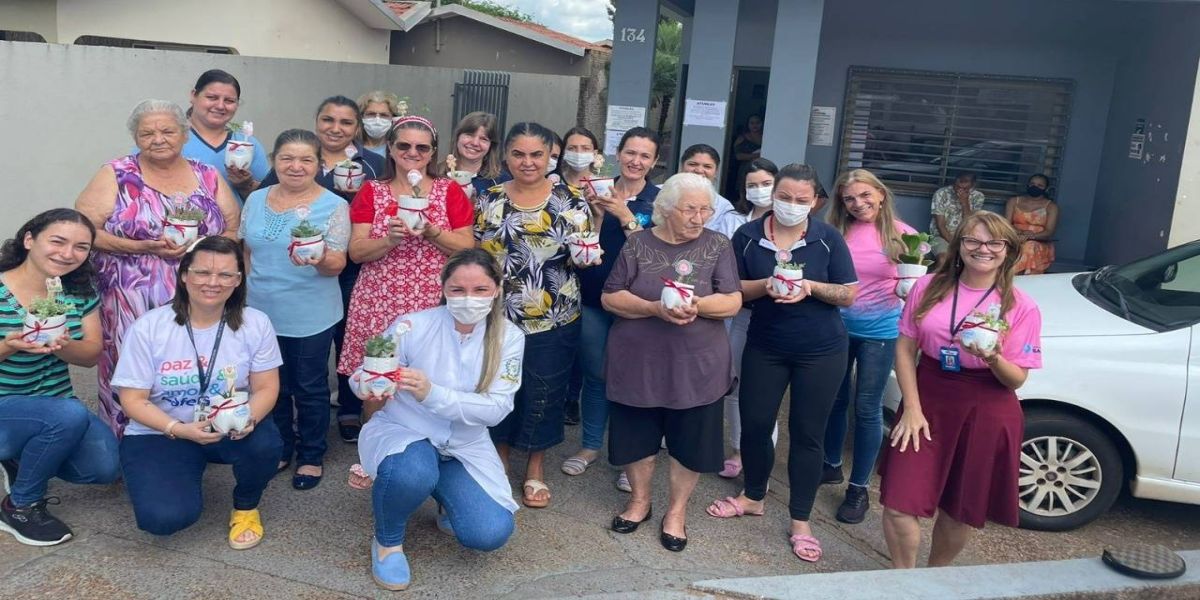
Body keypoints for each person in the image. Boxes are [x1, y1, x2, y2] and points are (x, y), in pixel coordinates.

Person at [708, 164, 858, 564]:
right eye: (784, 197)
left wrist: (810, 287)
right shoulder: (748, 236)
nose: (792, 205)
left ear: (815, 202)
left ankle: (801, 520)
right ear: (773, 195)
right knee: (755, 424)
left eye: (801, 200)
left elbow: (848, 294)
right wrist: (767, 284)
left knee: (807, 433)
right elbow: (732, 288)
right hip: (765, 345)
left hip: (821, 350)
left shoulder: (827, 238)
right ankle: (753, 495)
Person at [353, 249, 525, 591]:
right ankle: (387, 543)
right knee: (411, 472)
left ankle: (445, 496)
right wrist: (366, 384)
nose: (469, 299)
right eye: (458, 289)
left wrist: (431, 393)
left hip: (464, 444)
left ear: (496, 289)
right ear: (443, 287)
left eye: (480, 289)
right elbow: (366, 372)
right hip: (405, 431)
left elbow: (496, 409)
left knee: (490, 532)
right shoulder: (412, 325)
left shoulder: (509, 337)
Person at [880, 211, 1042, 568]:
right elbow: (905, 348)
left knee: (958, 510)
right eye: (973, 240)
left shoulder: (1021, 306)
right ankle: (903, 581)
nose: (983, 249)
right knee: (898, 504)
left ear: (1008, 250)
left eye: (994, 242)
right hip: (928, 396)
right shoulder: (928, 287)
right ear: (959, 245)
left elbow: (1016, 379)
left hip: (986, 403)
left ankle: (935, 577)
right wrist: (912, 408)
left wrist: (994, 357)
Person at [75, 99, 240, 436]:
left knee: (187, 364)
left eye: (167, 131)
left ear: (184, 134)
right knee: (129, 364)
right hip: (128, 296)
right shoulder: (116, 173)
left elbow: (233, 229)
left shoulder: (207, 175)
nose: (158, 139)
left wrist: (200, 250)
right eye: (147, 133)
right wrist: (141, 246)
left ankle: (191, 433)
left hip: (197, 293)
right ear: (136, 138)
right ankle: (126, 440)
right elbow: (85, 232)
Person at [113, 236, 283, 549]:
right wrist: (178, 429)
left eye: (225, 275)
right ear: (184, 275)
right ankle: (173, 473)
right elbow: (132, 400)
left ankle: (246, 506)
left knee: (265, 442)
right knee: (162, 520)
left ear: (238, 280)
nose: (213, 283)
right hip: (163, 430)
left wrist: (249, 418)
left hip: (227, 425)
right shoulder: (149, 327)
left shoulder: (256, 323)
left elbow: (266, 387)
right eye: (203, 272)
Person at [602, 173, 742, 552]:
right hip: (639, 362)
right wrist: (653, 308)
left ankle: (676, 512)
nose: (699, 218)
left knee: (690, 441)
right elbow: (611, 297)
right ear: (665, 209)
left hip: (698, 366)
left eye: (705, 210)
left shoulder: (717, 244)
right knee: (637, 435)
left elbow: (732, 300)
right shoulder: (638, 243)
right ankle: (639, 501)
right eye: (690, 209)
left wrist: (698, 305)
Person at [475, 122, 591, 509]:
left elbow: (584, 252)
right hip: (498, 316)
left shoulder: (571, 199)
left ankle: (535, 467)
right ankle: (500, 459)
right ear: (506, 156)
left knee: (545, 390)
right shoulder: (489, 198)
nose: (528, 162)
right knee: (499, 387)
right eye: (519, 154)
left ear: (549, 157)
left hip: (555, 316)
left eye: (537, 154)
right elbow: (476, 255)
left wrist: (587, 257)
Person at [338, 116, 475, 441]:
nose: (413, 152)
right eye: (404, 145)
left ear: (432, 152)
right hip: (380, 298)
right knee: (378, 379)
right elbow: (356, 251)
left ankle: (428, 444)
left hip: (431, 300)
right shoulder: (372, 191)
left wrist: (432, 231)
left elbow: (467, 246)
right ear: (390, 148)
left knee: (430, 377)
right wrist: (389, 240)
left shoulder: (449, 191)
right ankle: (375, 445)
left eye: (422, 147)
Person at [258, 96, 385, 439]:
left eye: (346, 122)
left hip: (352, 265)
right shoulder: (299, 157)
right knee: (306, 350)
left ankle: (348, 407)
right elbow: (267, 198)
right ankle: (293, 417)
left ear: (356, 128)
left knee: (347, 337)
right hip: (303, 269)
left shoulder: (373, 164)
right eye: (328, 120)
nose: (336, 128)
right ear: (317, 121)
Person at [0, 209, 120, 546]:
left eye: (81, 247)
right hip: (8, 406)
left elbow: (91, 355)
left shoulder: (78, 292)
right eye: (57, 241)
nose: (68, 254)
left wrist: (62, 345)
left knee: (104, 468)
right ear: (29, 239)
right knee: (68, 415)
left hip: (54, 403)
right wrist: (9, 346)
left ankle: (22, 455)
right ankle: (20, 505)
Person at [241, 130, 349, 490]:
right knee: (271, 384)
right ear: (274, 161)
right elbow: (247, 251)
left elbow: (337, 264)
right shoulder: (256, 199)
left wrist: (319, 257)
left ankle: (311, 455)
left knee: (309, 386)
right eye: (287, 158)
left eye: (306, 159)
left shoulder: (334, 205)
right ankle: (282, 447)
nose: (296, 166)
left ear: (319, 164)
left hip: (310, 314)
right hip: (260, 311)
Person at [562, 127, 660, 491]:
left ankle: (630, 457)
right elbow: (584, 240)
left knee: (634, 380)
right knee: (595, 375)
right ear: (618, 154)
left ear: (654, 162)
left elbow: (654, 255)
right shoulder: (596, 188)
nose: (636, 161)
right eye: (630, 152)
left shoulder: (659, 200)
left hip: (638, 304)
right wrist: (598, 215)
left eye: (645, 155)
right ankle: (590, 446)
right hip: (593, 296)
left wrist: (624, 214)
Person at [823, 169, 917, 524]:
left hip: (881, 331)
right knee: (834, 400)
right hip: (837, 328)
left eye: (865, 195)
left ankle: (858, 488)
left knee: (867, 407)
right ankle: (830, 465)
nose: (858, 203)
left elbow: (918, 284)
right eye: (850, 198)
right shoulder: (835, 231)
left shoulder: (904, 235)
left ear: (881, 194)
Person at [719, 158, 780, 479]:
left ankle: (760, 464)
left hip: (773, 316)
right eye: (752, 185)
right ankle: (737, 450)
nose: (760, 190)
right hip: (736, 314)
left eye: (766, 183)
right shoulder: (732, 220)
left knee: (764, 391)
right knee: (734, 384)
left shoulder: (788, 223)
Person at [182, 69, 270, 202]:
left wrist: (245, 185)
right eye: (212, 97)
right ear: (194, 95)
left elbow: (267, 200)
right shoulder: (172, 140)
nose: (220, 106)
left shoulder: (247, 144)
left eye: (229, 101)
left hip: (235, 216)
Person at [678, 144, 741, 239]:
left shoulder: (724, 207)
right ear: (681, 166)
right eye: (693, 164)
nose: (699, 170)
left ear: (716, 172)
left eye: (707, 166)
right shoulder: (660, 192)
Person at [445, 112, 507, 199]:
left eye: (483, 139)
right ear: (458, 137)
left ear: (491, 145)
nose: (475, 143)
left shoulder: (502, 181)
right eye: (469, 135)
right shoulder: (435, 174)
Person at [1006, 174, 1058, 275]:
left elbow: (1049, 232)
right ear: (1028, 185)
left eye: (1040, 185)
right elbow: (1006, 224)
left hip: (1038, 241)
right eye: (1032, 184)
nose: (1035, 187)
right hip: (1014, 237)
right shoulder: (1013, 201)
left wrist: (1029, 236)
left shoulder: (1051, 207)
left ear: (1046, 189)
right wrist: (1019, 233)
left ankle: (1017, 277)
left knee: (1028, 246)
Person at [929, 173, 985, 260]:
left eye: (965, 181)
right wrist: (954, 244)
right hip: (941, 236)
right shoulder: (942, 193)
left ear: (973, 184)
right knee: (943, 258)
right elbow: (940, 226)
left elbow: (970, 223)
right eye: (959, 180)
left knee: (972, 260)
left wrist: (965, 202)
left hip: (966, 238)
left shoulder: (978, 196)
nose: (960, 185)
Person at [728, 114, 763, 198]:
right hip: (746, 168)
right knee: (744, 190)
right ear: (748, 124)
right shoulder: (742, 138)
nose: (755, 125)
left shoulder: (767, 136)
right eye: (752, 123)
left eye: (757, 123)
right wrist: (758, 155)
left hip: (761, 168)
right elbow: (738, 156)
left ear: (762, 123)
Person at [358, 91, 402, 157]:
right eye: (371, 114)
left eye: (384, 115)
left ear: (393, 118)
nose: (377, 120)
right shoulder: (350, 149)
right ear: (361, 117)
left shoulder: (397, 150)